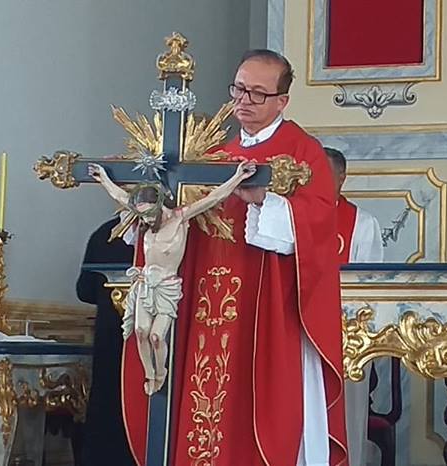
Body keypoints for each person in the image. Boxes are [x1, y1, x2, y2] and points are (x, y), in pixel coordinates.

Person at [156, 49, 346, 465]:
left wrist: (265, 201)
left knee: (262, 404)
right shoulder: (214, 157)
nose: (244, 100)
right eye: (239, 89)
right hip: (208, 303)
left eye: (258, 93)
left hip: (271, 310)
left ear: (282, 101)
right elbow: (187, 222)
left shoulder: (303, 153)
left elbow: (317, 226)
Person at [88, 160, 257, 395]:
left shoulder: (180, 218)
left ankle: (161, 372)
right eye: (142, 216)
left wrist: (238, 177)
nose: (145, 221)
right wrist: (103, 178)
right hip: (145, 284)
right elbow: (120, 196)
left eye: (149, 215)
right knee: (140, 332)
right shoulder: (144, 215)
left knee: (156, 336)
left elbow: (213, 198)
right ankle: (150, 374)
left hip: (167, 286)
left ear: (159, 206)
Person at [324, 146, 383, 465]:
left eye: (325, 174)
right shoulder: (291, 218)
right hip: (300, 336)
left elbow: (369, 288)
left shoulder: (362, 223)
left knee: (345, 419)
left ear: (342, 178)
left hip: (347, 339)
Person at [75, 215, 135, 466]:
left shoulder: (104, 233)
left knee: (106, 402)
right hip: (149, 338)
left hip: (109, 333)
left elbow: (84, 290)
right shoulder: (166, 231)